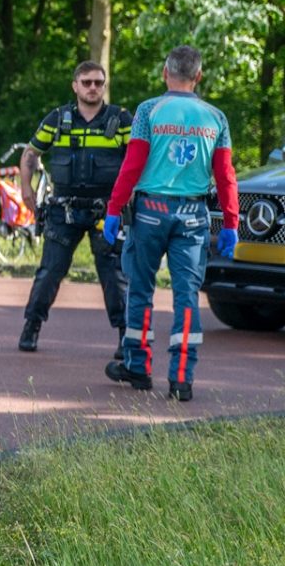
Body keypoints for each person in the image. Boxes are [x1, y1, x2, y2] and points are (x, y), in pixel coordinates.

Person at [102, 45, 239, 401]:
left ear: (165, 72)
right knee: (187, 296)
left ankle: (138, 367)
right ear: (199, 76)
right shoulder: (216, 118)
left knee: (141, 289)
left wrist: (114, 210)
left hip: (150, 211)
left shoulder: (149, 110)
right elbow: (225, 176)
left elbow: (131, 166)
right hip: (194, 217)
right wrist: (231, 224)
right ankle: (181, 378)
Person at [16, 61, 132, 352]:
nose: (92, 87)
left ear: (104, 86)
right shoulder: (58, 118)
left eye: (98, 82)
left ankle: (124, 336)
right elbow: (31, 152)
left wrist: (132, 196)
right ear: (75, 85)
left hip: (107, 212)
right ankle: (31, 326)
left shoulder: (121, 119)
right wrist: (25, 187)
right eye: (86, 82)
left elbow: (137, 159)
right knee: (50, 271)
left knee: (114, 275)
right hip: (63, 210)